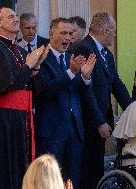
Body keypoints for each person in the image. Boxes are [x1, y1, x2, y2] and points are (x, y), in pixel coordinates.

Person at [0, 7, 48, 188]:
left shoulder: (19, 50)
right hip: (4, 119)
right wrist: (28, 66)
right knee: (6, 165)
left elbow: (36, 89)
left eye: (16, 16)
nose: (16, 19)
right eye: (11, 17)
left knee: (21, 165)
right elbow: (7, 86)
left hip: (21, 118)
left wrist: (37, 66)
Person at [72, 12, 132, 189]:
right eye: (113, 31)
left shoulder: (106, 53)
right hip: (88, 121)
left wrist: (134, 109)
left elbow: (116, 83)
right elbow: (85, 90)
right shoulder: (84, 48)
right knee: (87, 169)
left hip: (101, 119)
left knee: (97, 168)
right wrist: (99, 121)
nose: (114, 35)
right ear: (106, 30)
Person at [34, 17, 96, 189]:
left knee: (73, 178)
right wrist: (71, 72)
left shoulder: (72, 57)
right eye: (63, 33)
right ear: (51, 33)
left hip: (74, 130)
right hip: (51, 131)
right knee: (50, 180)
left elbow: (80, 93)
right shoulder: (41, 58)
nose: (68, 38)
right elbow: (47, 90)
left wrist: (84, 77)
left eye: (70, 33)